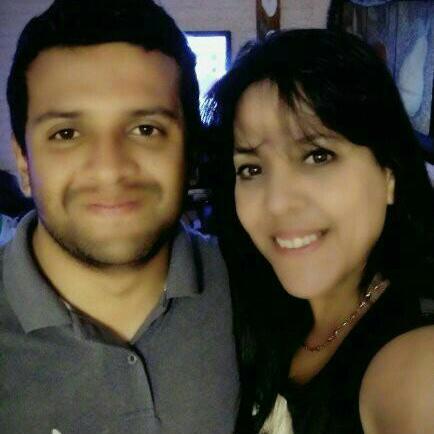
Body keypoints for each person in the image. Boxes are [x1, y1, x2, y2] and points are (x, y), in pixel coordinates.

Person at [0, 0, 238, 432]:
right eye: (66, 134)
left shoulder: (252, 287)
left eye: (146, 129)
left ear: (190, 154)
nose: (110, 169)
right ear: (23, 163)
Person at [205, 29, 434, 434]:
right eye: (251, 169)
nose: (277, 203)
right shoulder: (250, 310)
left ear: (389, 174)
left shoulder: (416, 363)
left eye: (317, 156)